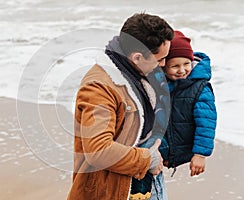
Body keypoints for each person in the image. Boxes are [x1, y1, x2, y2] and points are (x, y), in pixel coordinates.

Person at [66, 13, 174, 200]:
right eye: (159, 59)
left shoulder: (133, 69)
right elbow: (98, 150)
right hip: (113, 189)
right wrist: (148, 159)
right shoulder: (99, 88)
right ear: (137, 57)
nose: (163, 65)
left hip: (143, 180)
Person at [131, 30, 217, 199]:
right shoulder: (156, 83)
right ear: (163, 65)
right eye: (175, 66)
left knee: (147, 159)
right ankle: (141, 193)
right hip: (162, 143)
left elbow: (206, 123)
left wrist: (200, 154)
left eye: (187, 64)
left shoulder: (200, 87)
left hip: (182, 144)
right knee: (144, 162)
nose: (182, 70)